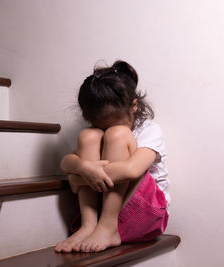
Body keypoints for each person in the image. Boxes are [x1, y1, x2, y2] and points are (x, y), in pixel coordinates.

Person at [55, 60, 169, 253]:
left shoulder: (149, 130)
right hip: (100, 214)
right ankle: (88, 225)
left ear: (133, 106)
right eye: (102, 126)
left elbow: (131, 170)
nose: (107, 130)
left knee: (118, 135)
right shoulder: (96, 132)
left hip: (143, 214)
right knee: (87, 136)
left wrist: (77, 179)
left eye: (115, 123)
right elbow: (65, 162)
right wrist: (83, 168)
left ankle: (108, 227)